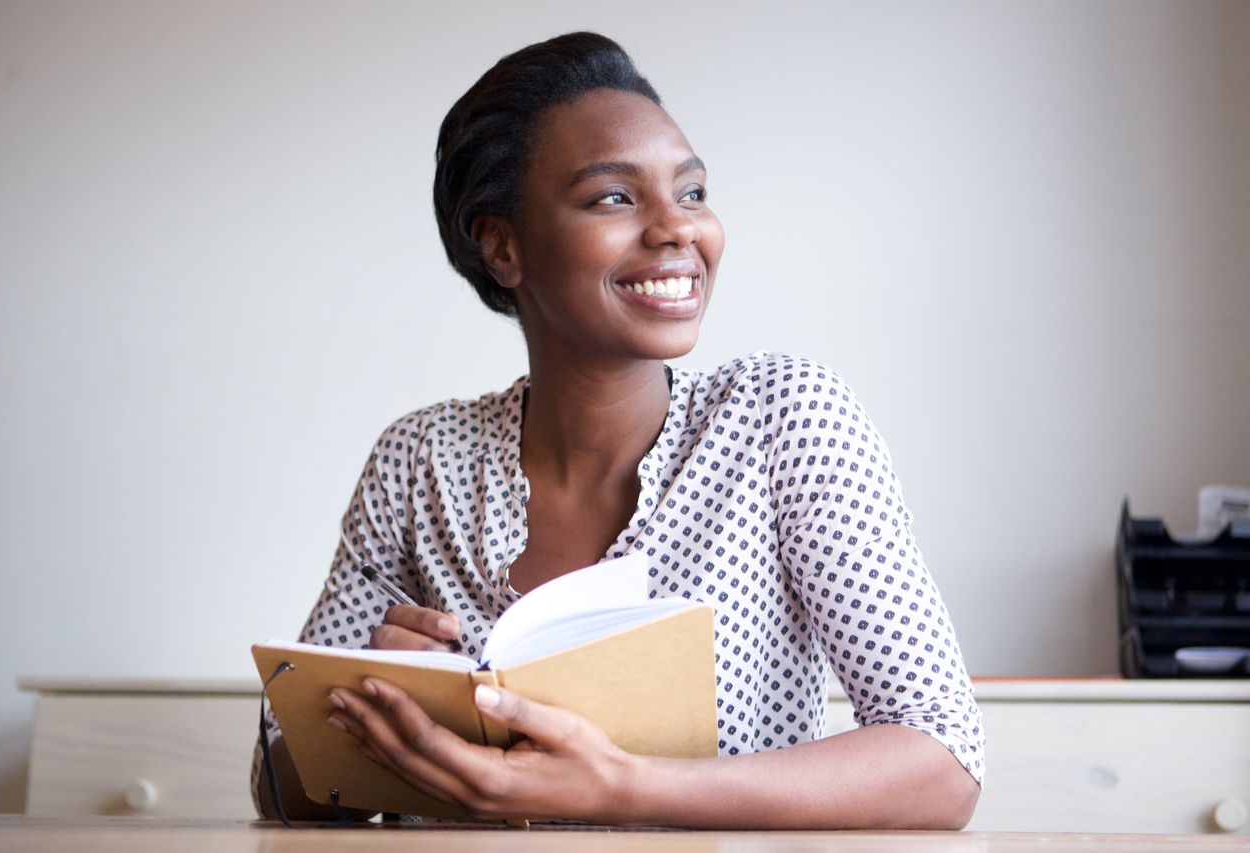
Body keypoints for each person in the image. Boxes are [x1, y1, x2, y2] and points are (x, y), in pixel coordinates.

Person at [254, 31, 984, 829]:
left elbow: (941, 760)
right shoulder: (418, 461)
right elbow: (280, 783)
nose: (679, 229)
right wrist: (365, 711)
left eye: (693, 191)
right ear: (502, 245)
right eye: (614, 197)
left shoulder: (783, 421)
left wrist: (619, 785)